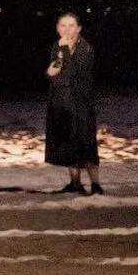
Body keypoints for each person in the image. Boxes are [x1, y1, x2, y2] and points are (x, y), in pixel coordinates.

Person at [46, 12, 100, 195]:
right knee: (67, 141)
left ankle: (96, 185)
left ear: (78, 29)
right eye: (62, 25)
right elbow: (54, 70)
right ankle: (75, 182)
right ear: (57, 28)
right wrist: (54, 70)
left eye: (71, 26)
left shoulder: (85, 48)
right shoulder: (58, 46)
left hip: (81, 103)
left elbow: (74, 71)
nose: (66, 29)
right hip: (62, 101)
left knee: (86, 141)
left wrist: (63, 56)